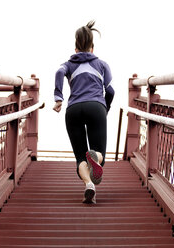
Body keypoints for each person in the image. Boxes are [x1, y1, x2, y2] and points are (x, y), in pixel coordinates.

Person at [53, 20, 115, 204]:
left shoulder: (68, 64)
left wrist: (58, 98)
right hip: (95, 107)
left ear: (75, 47)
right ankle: (96, 157)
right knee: (99, 154)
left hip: (73, 110)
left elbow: (58, 72)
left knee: (80, 156)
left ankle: (89, 185)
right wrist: (105, 108)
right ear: (92, 48)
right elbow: (110, 91)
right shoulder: (102, 65)